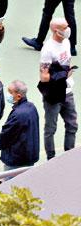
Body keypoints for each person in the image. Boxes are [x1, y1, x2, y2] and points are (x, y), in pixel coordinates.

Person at [38, 17, 78, 159]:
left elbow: (67, 61)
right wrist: (63, 75)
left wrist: (66, 74)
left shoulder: (66, 42)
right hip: (53, 94)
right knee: (50, 129)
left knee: (72, 125)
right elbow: (44, 77)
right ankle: (51, 158)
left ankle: (69, 156)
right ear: (56, 31)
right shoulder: (48, 49)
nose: (68, 29)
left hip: (67, 91)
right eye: (65, 27)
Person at [0, 80, 41, 170]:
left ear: (18, 96)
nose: (7, 95)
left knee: (10, 183)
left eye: (10, 92)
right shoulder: (31, 107)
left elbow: (7, 135)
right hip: (28, 155)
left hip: (16, 160)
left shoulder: (18, 114)